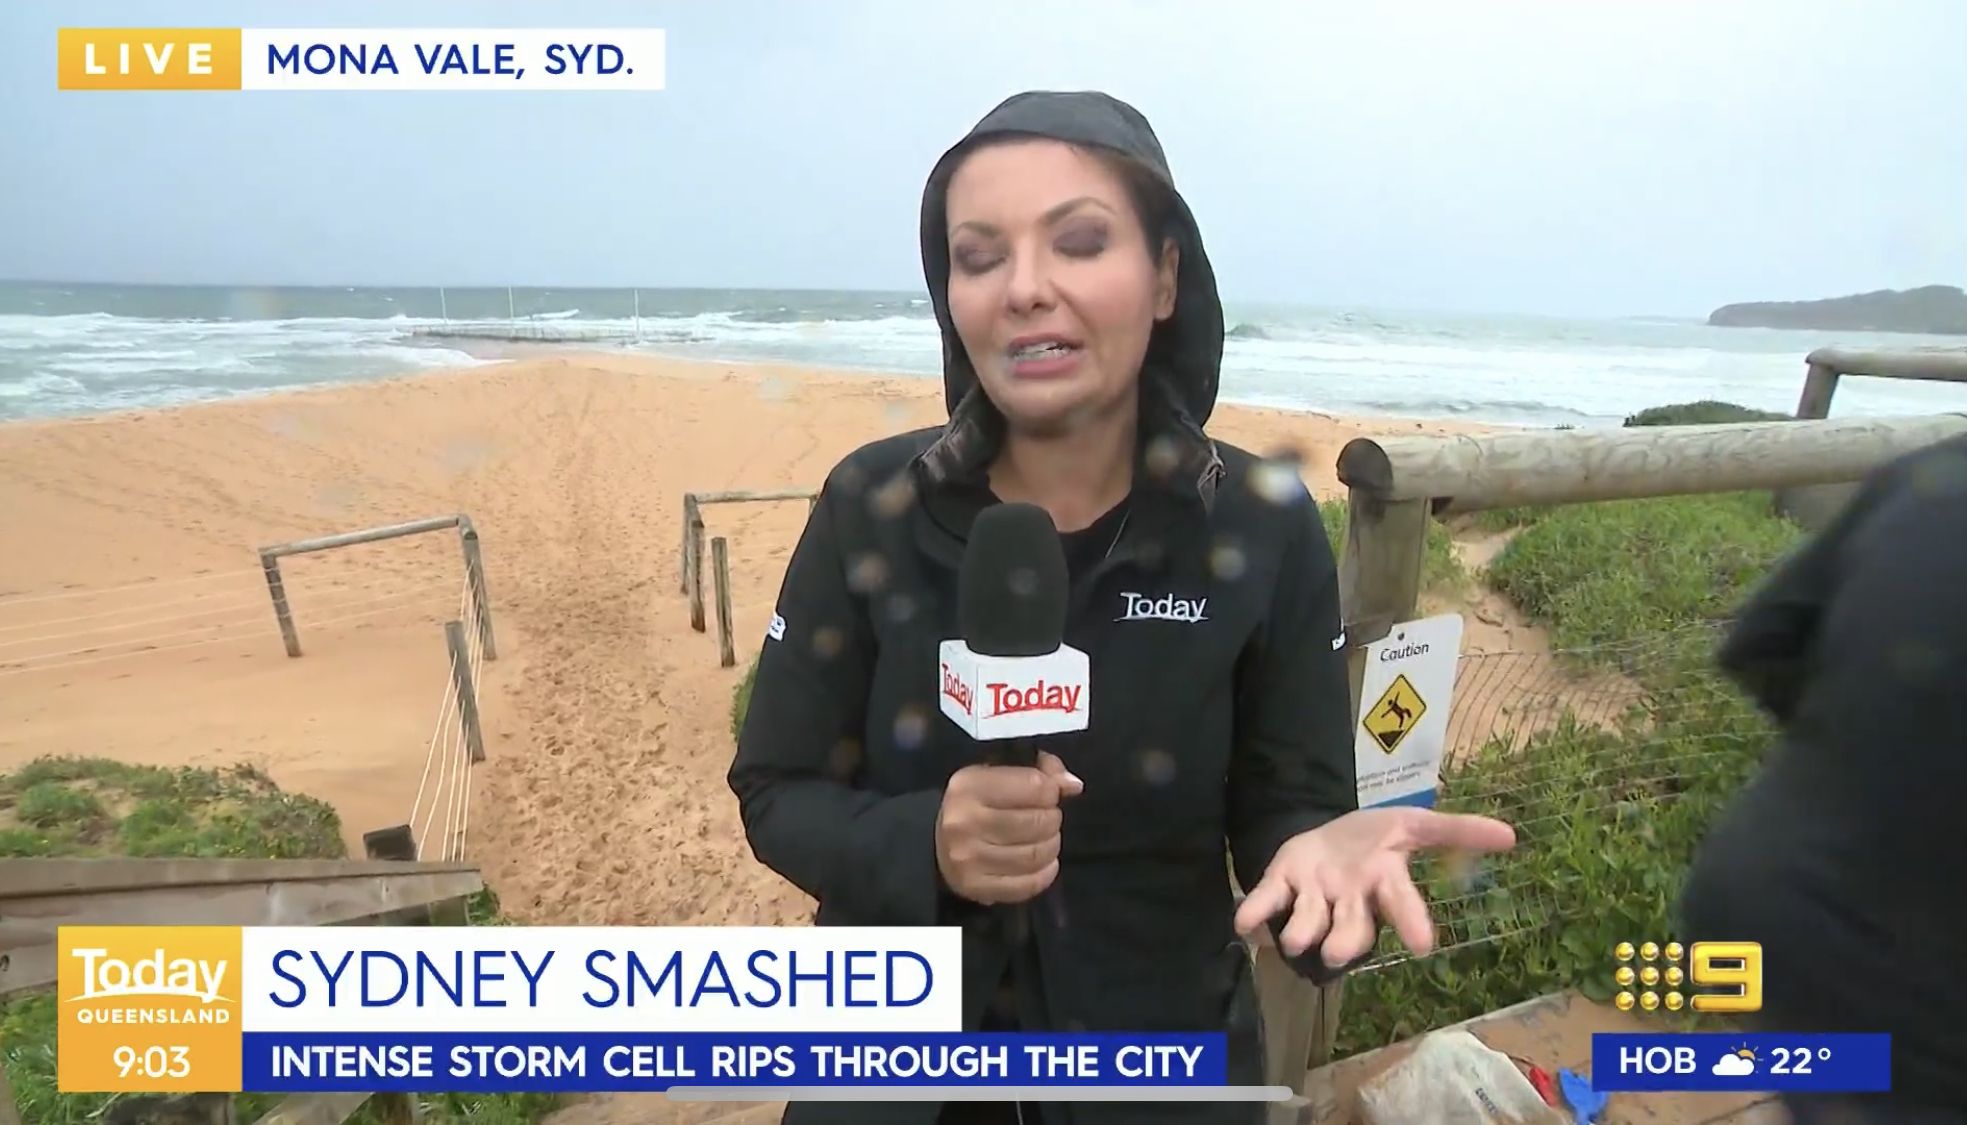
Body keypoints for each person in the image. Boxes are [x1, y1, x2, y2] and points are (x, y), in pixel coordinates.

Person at [727, 90, 1516, 1125]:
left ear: (1165, 277)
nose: (1024, 289)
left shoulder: (1260, 524)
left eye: (1080, 242)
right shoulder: (868, 506)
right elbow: (776, 790)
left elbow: (1289, 812)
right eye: (978, 257)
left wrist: (1322, 865)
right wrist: (926, 842)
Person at [1678, 432, 1967, 1124]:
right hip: (1916, 1002)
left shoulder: (1933, 470)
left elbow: (1762, 642)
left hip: (1762, 902)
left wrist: (1864, 751)